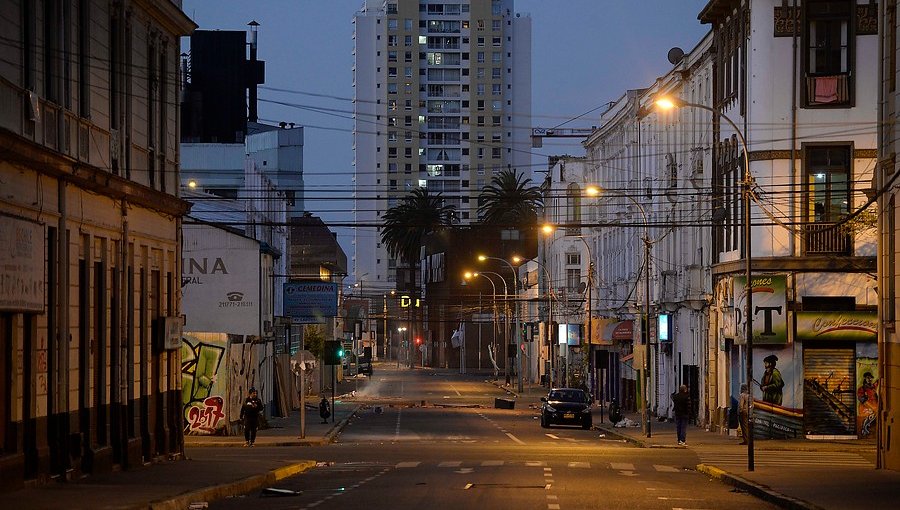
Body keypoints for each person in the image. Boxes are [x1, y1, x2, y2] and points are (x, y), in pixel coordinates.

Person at [857, 371, 878, 438]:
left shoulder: (873, 387)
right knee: (870, 415)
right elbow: (861, 399)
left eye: (871, 378)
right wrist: (871, 407)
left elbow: (878, 382)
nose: (870, 379)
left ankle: (866, 429)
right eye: (868, 378)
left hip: (874, 407)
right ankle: (864, 428)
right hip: (866, 408)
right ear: (865, 379)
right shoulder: (862, 388)